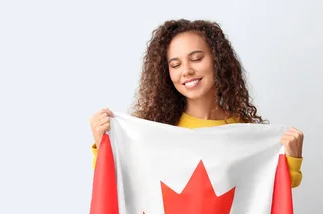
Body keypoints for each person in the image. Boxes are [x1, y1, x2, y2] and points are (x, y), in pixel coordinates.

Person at [89, 19, 304, 188]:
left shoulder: (243, 130)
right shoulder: (155, 131)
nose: (186, 71)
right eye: (175, 64)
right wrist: (103, 145)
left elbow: (266, 194)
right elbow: (121, 181)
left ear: (218, 61)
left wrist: (291, 159)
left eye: (196, 58)